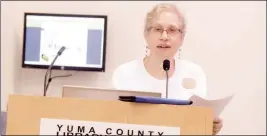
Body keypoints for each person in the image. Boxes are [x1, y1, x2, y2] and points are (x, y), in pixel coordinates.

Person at [112, 3, 223, 135]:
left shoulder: (194, 73)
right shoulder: (124, 74)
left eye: (172, 30)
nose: (164, 37)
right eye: (158, 29)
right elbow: (112, 123)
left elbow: (198, 122)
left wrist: (210, 126)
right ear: (146, 35)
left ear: (182, 38)